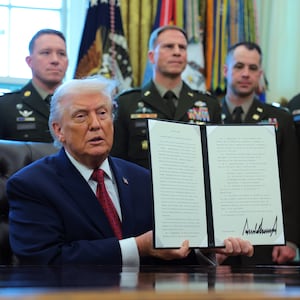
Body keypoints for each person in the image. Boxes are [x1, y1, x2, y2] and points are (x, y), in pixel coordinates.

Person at [7, 75, 253, 266]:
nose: (96, 124)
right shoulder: (31, 185)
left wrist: (205, 252)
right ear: (58, 129)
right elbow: (44, 260)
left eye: (103, 113)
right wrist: (138, 247)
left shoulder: (142, 179)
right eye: (81, 116)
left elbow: (164, 252)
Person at [221, 41, 300, 265]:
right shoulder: (209, 115)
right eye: (239, 66)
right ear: (226, 71)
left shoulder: (279, 119)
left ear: (260, 74)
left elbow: (291, 180)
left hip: (266, 240)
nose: (246, 74)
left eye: (253, 68)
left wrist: (291, 238)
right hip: (218, 240)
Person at [111, 25, 221, 169]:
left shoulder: (208, 104)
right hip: (143, 188)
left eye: (182, 47)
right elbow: (116, 162)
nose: (177, 52)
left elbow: (215, 160)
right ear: (151, 56)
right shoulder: (126, 103)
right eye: (169, 47)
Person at [0, 28, 68, 142]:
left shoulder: (82, 105)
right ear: (29, 61)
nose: (55, 60)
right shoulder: (5, 107)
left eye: (61, 54)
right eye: (46, 53)